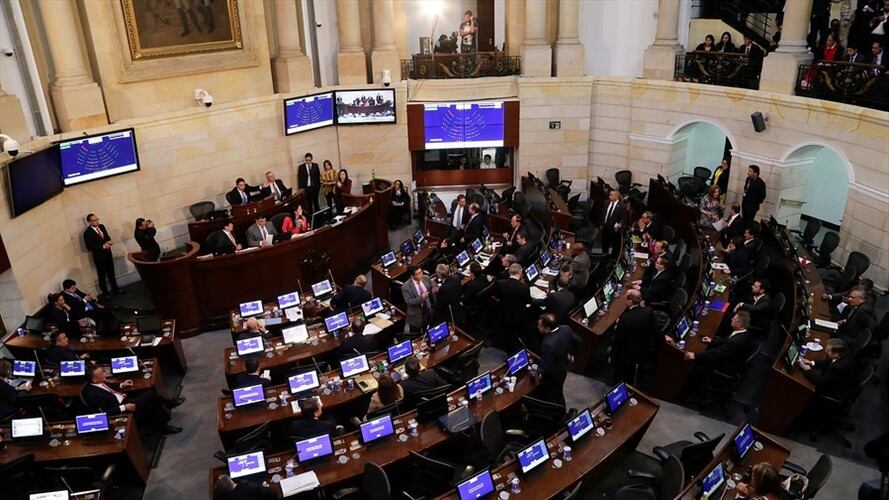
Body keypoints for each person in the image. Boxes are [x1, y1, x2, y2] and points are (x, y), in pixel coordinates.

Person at [82, 365, 182, 433]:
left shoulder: (97, 382)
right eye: (101, 373)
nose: (104, 373)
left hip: (124, 398)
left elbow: (108, 386)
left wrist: (122, 384)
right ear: (94, 379)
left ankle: (162, 422)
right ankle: (166, 412)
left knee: (152, 399)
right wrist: (124, 407)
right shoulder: (93, 395)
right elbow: (105, 411)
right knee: (151, 394)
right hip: (122, 407)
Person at [683, 312, 754, 376]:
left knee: (696, 365)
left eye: (734, 319)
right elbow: (725, 341)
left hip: (725, 366)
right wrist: (712, 341)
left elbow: (715, 354)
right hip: (732, 357)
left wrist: (694, 355)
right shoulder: (745, 331)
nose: (732, 319)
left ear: (740, 324)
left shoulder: (733, 342)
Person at [610, 290, 657, 384]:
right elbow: (655, 330)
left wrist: (612, 357)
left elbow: (618, 341)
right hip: (645, 349)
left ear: (630, 302)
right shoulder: (649, 311)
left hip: (629, 355)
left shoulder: (625, 318)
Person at [535, 313, 580, 407]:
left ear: (547, 328)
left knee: (552, 394)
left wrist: (538, 372)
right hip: (563, 368)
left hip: (553, 374)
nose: (538, 327)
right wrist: (571, 353)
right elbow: (579, 341)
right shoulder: (566, 329)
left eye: (540, 326)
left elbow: (547, 366)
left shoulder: (548, 344)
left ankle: (557, 412)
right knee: (559, 390)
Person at [493, 263, 532, 350]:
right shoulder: (524, 287)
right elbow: (528, 301)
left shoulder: (499, 283)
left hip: (501, 313)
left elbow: (495, 296)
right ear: (520, 273)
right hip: (517, 315)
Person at [83, 213, 121, 297]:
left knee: (111, 273)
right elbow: (89, 247)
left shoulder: (102, 226)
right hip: (99, 257)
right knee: (102, 275)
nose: (97, 221)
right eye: (95, 220)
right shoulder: (87, 233)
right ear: (89, 222)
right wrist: (103, 246)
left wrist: (109, 240)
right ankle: (105, 293)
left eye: (97, 219)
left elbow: (106, 236)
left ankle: (115, 289)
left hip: (108, 254)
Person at [835, 289, 876, 353]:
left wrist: (861, 338)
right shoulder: (858, 305)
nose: (850, 299)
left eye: (853, 298)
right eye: (850, 297)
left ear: (861, 299)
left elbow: (871, 326)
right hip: (848, 331)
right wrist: (845, 320)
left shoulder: (864, 311)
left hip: (851, 338)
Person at [402, 266, 433, 332]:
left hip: (428, 310)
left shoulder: (427, 278)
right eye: (418, 273)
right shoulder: (405, 287)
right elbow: (409, 301)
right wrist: (422, 297)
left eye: (421, 272)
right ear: (412, 276)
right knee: (416, 334)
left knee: (430, 330)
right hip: (416, 315)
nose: (421, 274)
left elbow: (430, 291)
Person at [601, 190, 626, 256]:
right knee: (604, 244)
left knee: (614, 246)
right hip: (605, 227)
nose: (609, 196)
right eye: (609, 195)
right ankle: (604, 256)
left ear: (617, 197)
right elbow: (603, 214)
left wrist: (619, 224)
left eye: (611, 195)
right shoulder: (606, 203)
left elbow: (624, 219)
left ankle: (613, 259)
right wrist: (601, 224)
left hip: (614, 229)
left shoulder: (621, 206)